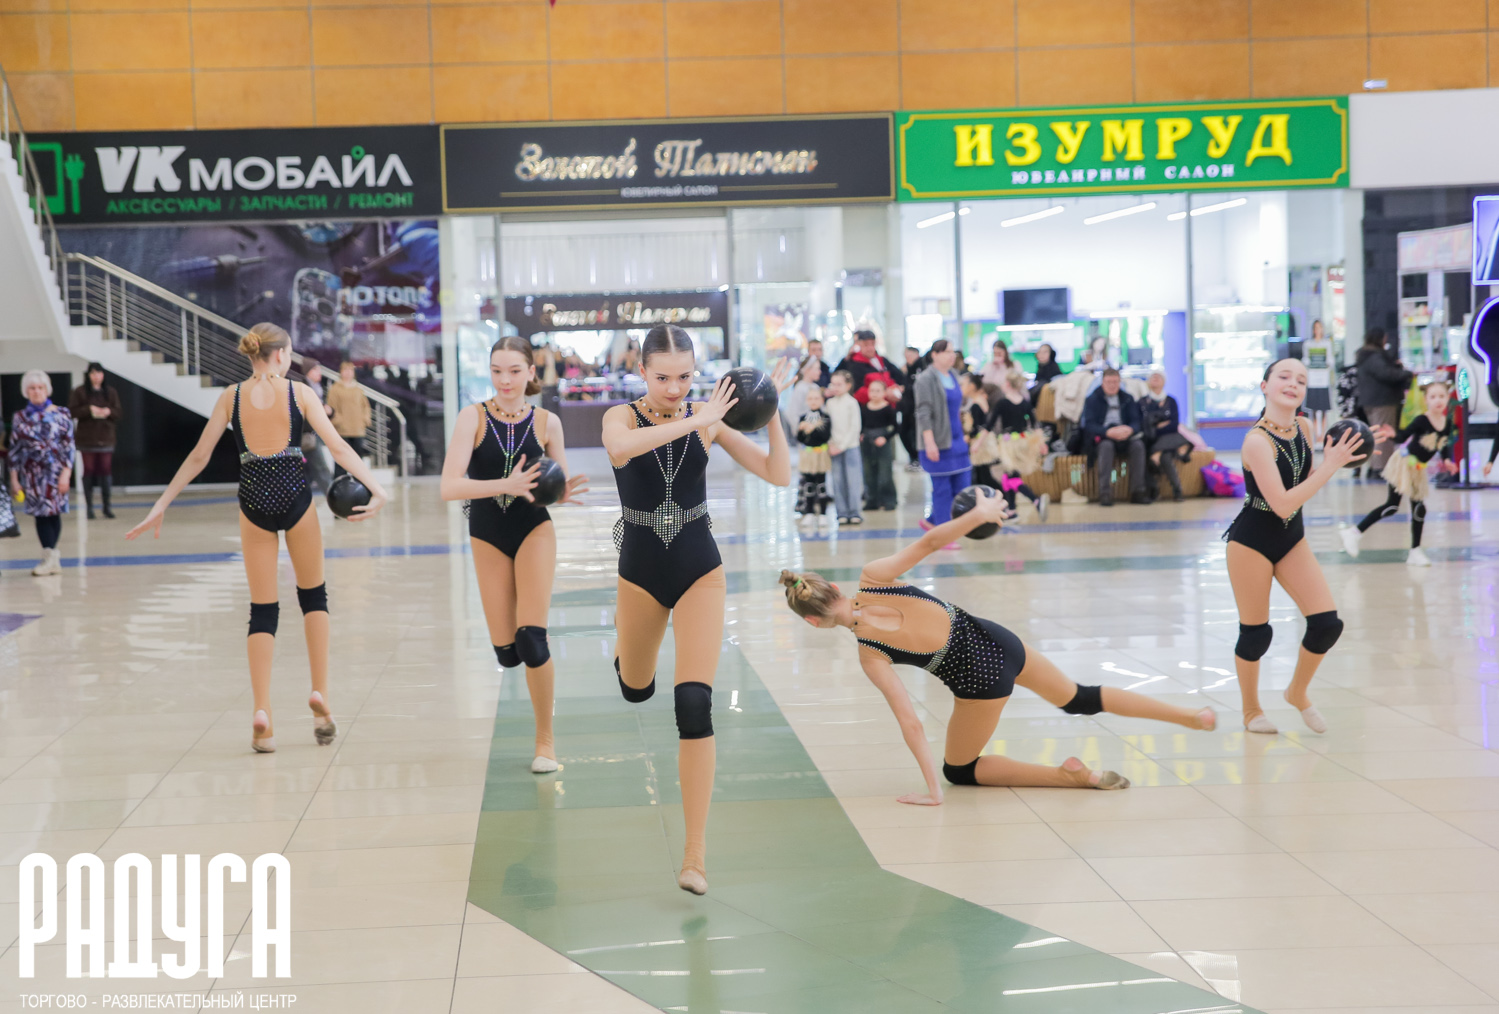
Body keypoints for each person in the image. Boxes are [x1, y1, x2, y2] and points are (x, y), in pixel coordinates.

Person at [778, 492, 1216, 803]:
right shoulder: (874, 577)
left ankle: (1068, 777)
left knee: (960, 770)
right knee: (1079, 697)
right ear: (834, 586)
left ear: (813, 622)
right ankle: (1190, 716)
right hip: (1000, 640)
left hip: (981, 682)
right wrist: (979, 513)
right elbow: (931, 542)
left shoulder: (870, 653)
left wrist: (933, 791)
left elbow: (910, 722)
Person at [126, 323, 388, 753]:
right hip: (296, 501)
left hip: (253, 504)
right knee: (314, 597)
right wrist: (377, 488)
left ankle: (262, 713)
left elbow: (199, 456)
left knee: (262, 611)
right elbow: (339, 448)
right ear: (281, 354)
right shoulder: (300, 394)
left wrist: (161, 503)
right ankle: (320, 696)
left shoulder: (230, 397)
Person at [603, 324, 794, 896]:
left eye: (685, 377)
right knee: (636, 690)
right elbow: (621, 450)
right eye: (663, 377)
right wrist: (699, 418)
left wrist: (771, 412)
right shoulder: (621, 417)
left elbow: (778, 474)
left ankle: (695, 856)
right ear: (641, 371)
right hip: (639, 575)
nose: (675, 388)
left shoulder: (708, 419)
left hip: (699, 570)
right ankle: (628, 658)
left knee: (693, 703)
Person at [441, 336, 588, 773]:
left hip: (533, 529)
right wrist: (505, 485)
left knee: (531, 639)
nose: (505, 380)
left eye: (514, 371)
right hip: (487, 534)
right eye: (497, 371)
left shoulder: (547, 423)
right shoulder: (472, 417)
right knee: (507, 652)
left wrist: (561, 495)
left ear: (530, 373)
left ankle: (546, 743)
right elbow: (449, 486)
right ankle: (514, 651)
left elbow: (555, 484)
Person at [1225, 358, 1364, 736]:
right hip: (1251, 543)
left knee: (1327, 625)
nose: (1293, 383)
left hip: (1291, 539)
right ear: (1265, 386)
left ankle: (1297, 692)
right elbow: (1283, 503)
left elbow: (1305, 476)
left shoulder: (1303, 426)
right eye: (1283, 376)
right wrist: (1331, 466)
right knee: (1256, 633)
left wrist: (1354, 449)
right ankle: (1251, 711)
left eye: (1300, 380)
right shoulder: (1256, 441)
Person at [1341, 380, 1456, 567]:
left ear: (1448, 398)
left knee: (1419, 509)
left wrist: (1448, 461)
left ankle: (1415, 551)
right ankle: (1354, 532)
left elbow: (1442, 445)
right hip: (1403, 465)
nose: (1438, 400)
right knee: (1392, 506)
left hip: (1418, 469)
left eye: (1441, 396)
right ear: (1426, 400)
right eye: (1433, 396)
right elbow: (1403, 436)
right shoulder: (1422, 420)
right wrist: (1392, 434)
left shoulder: (1447, 423)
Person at [9, 370, 75, 577]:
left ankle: (50, 558)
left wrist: (66, 474)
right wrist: (14, 479)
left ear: (47, 390)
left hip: (55, 473)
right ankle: (51, 558)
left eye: (40, 388)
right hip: (32, 475)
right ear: (26, 391)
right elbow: (15, 450)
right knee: (40, 515)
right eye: (32, 388)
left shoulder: (61, 413)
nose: (37, 391)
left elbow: (69, 446)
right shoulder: (20, 417)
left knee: (54, 513)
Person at [914, 339, 971, 529]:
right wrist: (929, 443)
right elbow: (923, 413)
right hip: (938, 441)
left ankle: (932, 521)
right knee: (942, 490)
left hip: (957, 439)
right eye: (947, 352)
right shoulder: (925, 379)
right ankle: (944, 532)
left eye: (953, 351)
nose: (952, 355)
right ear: (934, 355)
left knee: (962, 487)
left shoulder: (954, 375)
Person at [988, 368, 1050, 519]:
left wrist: (979, 443)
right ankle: (1012, 510)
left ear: (1008, 384)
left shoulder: (1002, 403)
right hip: (1022, 443)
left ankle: (1035, 500)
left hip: (1009, 445)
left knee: (1012, 478)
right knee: (1008, 477)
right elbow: (1035, 425)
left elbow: (989, 424)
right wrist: (1042, 443)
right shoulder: (1025, 403)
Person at [1081, 368, 1148, 506]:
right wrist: (1107, 432)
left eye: (1115, 382)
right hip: (1103, 437)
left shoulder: (1128, 398)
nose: (1112, 385)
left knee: (1138, 446)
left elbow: (1137, 421)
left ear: (1119, 382)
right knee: (1106, 447)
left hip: (1125, 436)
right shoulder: (1092, 399)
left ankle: (1138, 492)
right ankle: (1104, 493)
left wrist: (1130, 429)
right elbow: (1089, 425)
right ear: (1102, 382)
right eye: (1109, 382)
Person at [1355, 327, 1413, 479]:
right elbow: (1386, 374)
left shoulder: (1365, 356)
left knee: (1376, 434)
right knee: (1383, 435)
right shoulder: (1375, 357)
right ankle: (1380, 469)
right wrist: (1405, 373)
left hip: (1370, 401)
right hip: (1382, 401)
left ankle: (1374, 467)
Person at [68, 362, 121, 520]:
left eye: (98, 373)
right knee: (89, 470)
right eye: (93, 373)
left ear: (103, 375)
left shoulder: (110, 392)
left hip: (106, 438)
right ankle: (89, 508)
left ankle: (107, 507)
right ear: (88, 375)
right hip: (87, 438)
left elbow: (118, 412)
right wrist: (89, 409)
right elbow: (71, 411)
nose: (96, 376)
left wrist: (108, 412)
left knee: (105, 470)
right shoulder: (79, 391)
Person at [1140, 369, 1192, 502]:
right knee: (1161, 456)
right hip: (1151, 440)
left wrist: (1157, 426)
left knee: (1165, 455)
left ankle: (1175, 491)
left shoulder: (1171, 401)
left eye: (1159, 377)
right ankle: (1165, 490)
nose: (1155, 379)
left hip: (1169, 439)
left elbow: (1174, 425)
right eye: (1153, 377)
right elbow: (1145, 426)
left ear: (1164, 382)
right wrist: (1161, 424)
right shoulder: (1143, 402)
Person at [825, 370, 863, 526]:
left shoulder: (852, 403)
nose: (835, 387)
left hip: (850, 447)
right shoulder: (830, 403)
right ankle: (841, 512)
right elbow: (827, 426)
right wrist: (831, 444)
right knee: (838, 480)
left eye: (839, 384)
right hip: (834, 448)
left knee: (853, 480)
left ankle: (855, 512)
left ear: (848, 385)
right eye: (833, 384)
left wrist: (842, 445)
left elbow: (855, 427)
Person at [795, 386, 834, 530]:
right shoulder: (803, 418)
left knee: (821, 485)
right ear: (806, 400)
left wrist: (813, 429)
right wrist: (801, 430)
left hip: (821, 455)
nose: (813, 401)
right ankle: (809, 512)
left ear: (822, 400)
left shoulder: (825, 418)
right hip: (807, 455)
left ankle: (823, 514)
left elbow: (825, 436)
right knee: (808, 484)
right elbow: (800, 438)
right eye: (810, 398)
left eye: (816, 398)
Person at [325, 361, 372, 477]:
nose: (348, 373)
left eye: (350, 370)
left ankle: (359, 483)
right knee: (341, 461)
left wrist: (365, 419)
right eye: (345, 370)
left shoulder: (358, 389)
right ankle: (340, 484)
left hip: (358, 430)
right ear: (341, 372)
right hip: (342, 431)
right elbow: (331, 409)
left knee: (358, 462)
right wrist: (339, 421)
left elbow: (365, 406)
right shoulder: (335, 389)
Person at [833, 329, 905, 404]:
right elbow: (857, 391)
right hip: (870, 406)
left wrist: (897, 388)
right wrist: (885, 394)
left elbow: (899, 376)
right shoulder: (854, 363)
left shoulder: (882, 360)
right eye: (866, 345)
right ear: (859, 344)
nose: (870, 348)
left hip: (889, 404)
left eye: (872, 344)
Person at [958, 371, 1001, 490]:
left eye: (963, 385)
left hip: (980, 444)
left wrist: (968, 437)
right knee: (982, 475)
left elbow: (978, 426)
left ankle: (1002, 495)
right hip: (982, 442)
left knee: (984, 476)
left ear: (971, 386)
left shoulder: (976, 404)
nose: (961, 388)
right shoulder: (980, 400)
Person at [860, 379, 898, 512]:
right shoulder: (864, 408)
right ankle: (872, 500)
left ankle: (889, 500)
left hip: (883, 442)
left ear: (884, 393)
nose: (874, 394)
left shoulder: (888, 408)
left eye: (878, 391)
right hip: (867, 442)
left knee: (884, 473)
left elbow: (896, 427)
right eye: (872, 391)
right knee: (869, 473)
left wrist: (885, 438)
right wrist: (861, 434)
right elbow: (862, 425)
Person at [298, 361, 334, 495]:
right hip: (308, 434)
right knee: (321, 468)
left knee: (310, 470)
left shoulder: (317, 388)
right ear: (308, 371)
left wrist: (330, 411)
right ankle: (333, 498)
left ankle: (299, 498)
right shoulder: (303, 388)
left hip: (315, 432)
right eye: (316, 369)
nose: (319, 373)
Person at [779, 356, 823, 447]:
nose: (820, 372)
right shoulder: (800, 388)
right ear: (807, 370)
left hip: (816, 434)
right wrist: (800, 431)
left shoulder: (815, 387)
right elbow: (793, 413)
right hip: (805, 435)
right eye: (817, 369)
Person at [1303, 320, 1333, 441]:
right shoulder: (1308, 344)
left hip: (1323, 379)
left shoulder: (1327, 343)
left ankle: (1323, 434)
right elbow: (1305, 359)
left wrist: (1327, 364)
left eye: (1320, 327)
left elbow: (1330, 360)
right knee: (1314, 409)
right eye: (1315, 327)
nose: (1318, 330)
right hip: (1312, 379)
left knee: (1324, 408)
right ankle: (1317, 435)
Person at [898, 346, 923, 469]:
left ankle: (917, 458)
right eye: (905, 356)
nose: (907, 358)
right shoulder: (905, 370)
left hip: (917, 408)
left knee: (915, 434)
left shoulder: (921, 368)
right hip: (906, 408)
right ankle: (913, 457)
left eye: (909, 355)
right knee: (904, 432)